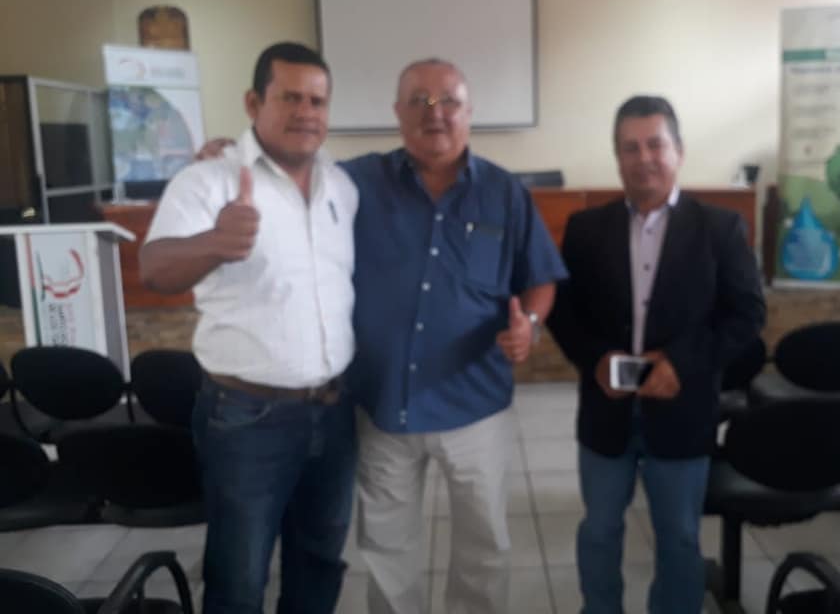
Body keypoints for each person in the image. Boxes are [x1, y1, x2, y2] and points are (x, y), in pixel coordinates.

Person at [341, 58, 568, 614]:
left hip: (475, 404)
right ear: (397, 113)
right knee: (387, 549)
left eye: (449, 101)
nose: (434, 113)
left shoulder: (505, 192)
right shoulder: (355, 183)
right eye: (418, 100)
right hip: (384, 403)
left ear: (470, 113)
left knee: (483, 547)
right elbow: (289, 177)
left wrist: (530, 325)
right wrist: (229, 159)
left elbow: (540, 279)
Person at [140, 42, 358, 614]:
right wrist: (215, 241)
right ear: (253, 102)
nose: (305, 112)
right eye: (290, 98)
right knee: (239, 577)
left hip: (333, 411)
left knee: (319, 564)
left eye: (317, 101)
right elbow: (154, 268)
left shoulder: (342, 185)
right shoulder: (208, 181)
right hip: (246, 417)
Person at [547, 96, 765, 614]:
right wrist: (594, 359)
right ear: (617, 157)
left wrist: (681, 365)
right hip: (606, 411)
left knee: (680, 538)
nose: (643, 158)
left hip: (682, 411)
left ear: (678, 152)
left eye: (655, 145)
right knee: (599, 530)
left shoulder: (720, 228)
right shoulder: (585, 229)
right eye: (630, 147)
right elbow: (564, 311)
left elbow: (747, 314)